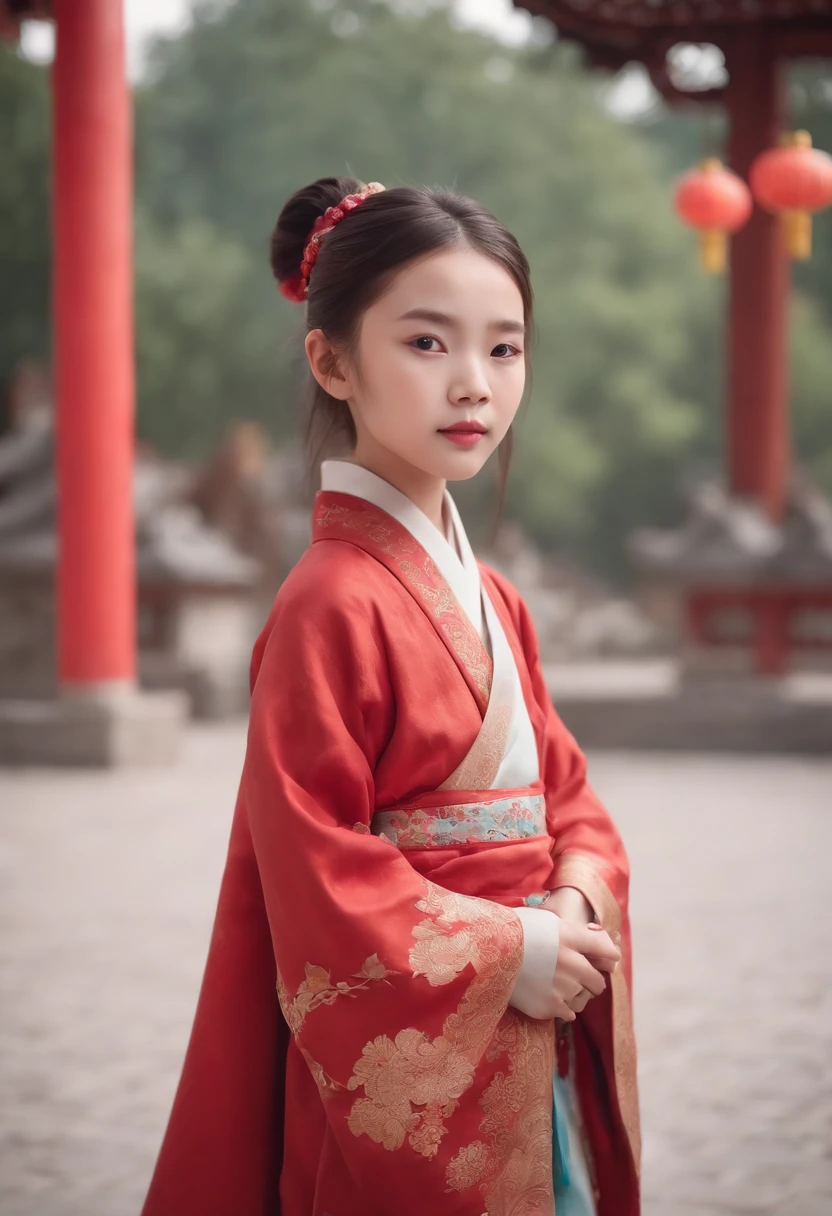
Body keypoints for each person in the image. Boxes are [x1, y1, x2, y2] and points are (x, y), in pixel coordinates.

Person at [142, 177, 640, 1216]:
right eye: (426, 343)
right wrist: (511, 951)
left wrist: (569, 903)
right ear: (331, 360)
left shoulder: (494, 595)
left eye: (503, 348)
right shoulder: (326, 602)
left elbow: (569, 794)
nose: (473, 385)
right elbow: (314, 865)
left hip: (528, 1015)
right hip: (429, 1047)